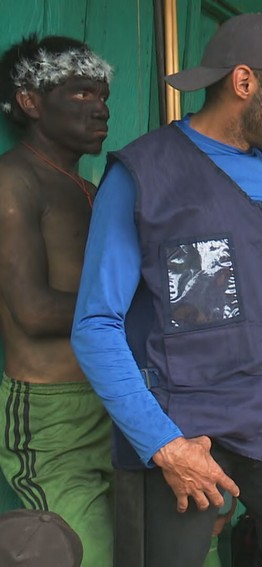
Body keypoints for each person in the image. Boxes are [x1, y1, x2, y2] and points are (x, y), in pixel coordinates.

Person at [70, 14, 262, 566]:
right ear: (243, 82)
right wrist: (164, 445)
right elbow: (95, 326)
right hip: (187, 439)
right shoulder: (143, 176)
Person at [0, 35, 113, 567]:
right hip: (50, 416)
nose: (101, 107)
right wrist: (134, 303)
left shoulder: (89, 189)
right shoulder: (12, 179)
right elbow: (35, 311)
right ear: (30, 100)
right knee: (82, 552)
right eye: (81, 93)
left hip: (112, 399)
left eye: (104, 94)